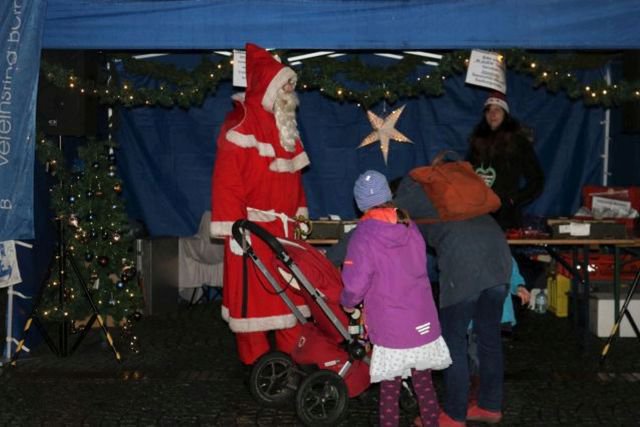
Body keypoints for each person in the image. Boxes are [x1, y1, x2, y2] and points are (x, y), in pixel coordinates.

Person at [326, 170, 512, 426]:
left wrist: (325, 261)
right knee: (489, 336)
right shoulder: (447, 188)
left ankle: (455, 415)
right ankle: (490, 405)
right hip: (500, 258)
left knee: (454, 340)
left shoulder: (407, 199)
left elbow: (358, 238)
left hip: (465, 263)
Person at [210, 43, 310, 366]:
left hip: (284, 233)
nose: (290, 94)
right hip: (251, 232)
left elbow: (296, 184)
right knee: (253, 304)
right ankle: (257, 367)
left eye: (291, 87)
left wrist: (300, 217)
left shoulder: (286, 130)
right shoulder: (239, 126)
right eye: (284, 86)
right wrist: (236, 231)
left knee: (290, 300)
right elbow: (226, 186)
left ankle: (292, 361)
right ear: (268, 87)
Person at [340, 170, 452, 427]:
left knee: (389, 392)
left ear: (360, 204)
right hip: (422, 319)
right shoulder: (409, 226)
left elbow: (355, 284)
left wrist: (347, 301)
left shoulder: (363, 235)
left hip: (391, 327)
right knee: (424, 386)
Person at [467, 91, 544, 231]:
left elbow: (536, 179)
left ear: (505, 114)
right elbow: (467, 174)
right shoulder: (477, 142)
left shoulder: (518, 142)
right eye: (488, 110)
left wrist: (514, 199)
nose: (492, 114)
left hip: (505, 216)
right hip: (477, 214)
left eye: (497, 110)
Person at [467, 256, 531, 404]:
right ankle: (482, 392)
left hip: (496, 314)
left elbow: (512, 272)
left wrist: (519, 286)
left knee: (481, 355)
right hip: (474, 314)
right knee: (476, 354)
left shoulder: (502, 252)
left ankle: (481, 395)